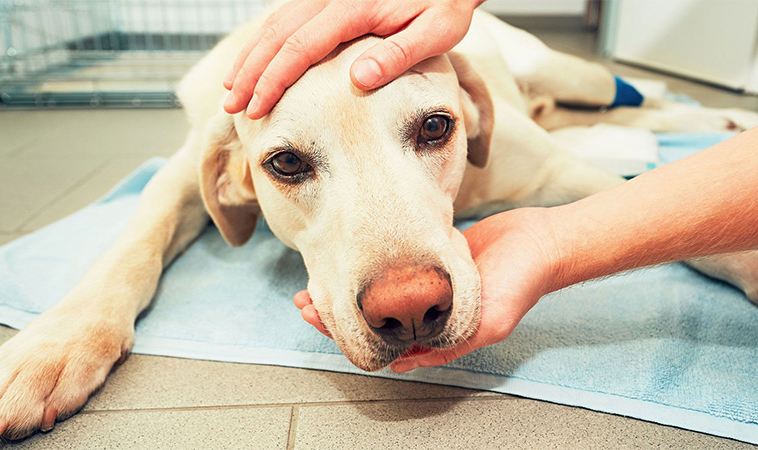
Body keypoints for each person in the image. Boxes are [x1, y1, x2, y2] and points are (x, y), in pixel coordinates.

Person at [225, 0, 758, 372]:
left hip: (498, 55)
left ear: (476, 117)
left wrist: (740, 259)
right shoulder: (231, 113)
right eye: (291, 163)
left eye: (432, 129)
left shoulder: (474, 96)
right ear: (235, 179)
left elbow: (566, 175)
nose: (407, 299)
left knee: (580, 81)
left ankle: (646, 100)